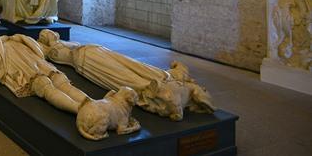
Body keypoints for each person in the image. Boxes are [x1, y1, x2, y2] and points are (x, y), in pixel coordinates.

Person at [0, 27, 140, 139]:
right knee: (45, 87)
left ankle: (91, 104)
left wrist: (18, 38)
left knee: (61, 80)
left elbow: (36, 48)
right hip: (20, 68)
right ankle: (78, 109)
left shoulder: (10, 39)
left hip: (36, 61)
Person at [38, 30, 215, 120]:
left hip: (93, 58)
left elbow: (163, 98)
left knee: (104, 62)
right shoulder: (171, 81)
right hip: (94, 55)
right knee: (119, 64)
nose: (51, 35)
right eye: (50, 36)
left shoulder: (172, 92)